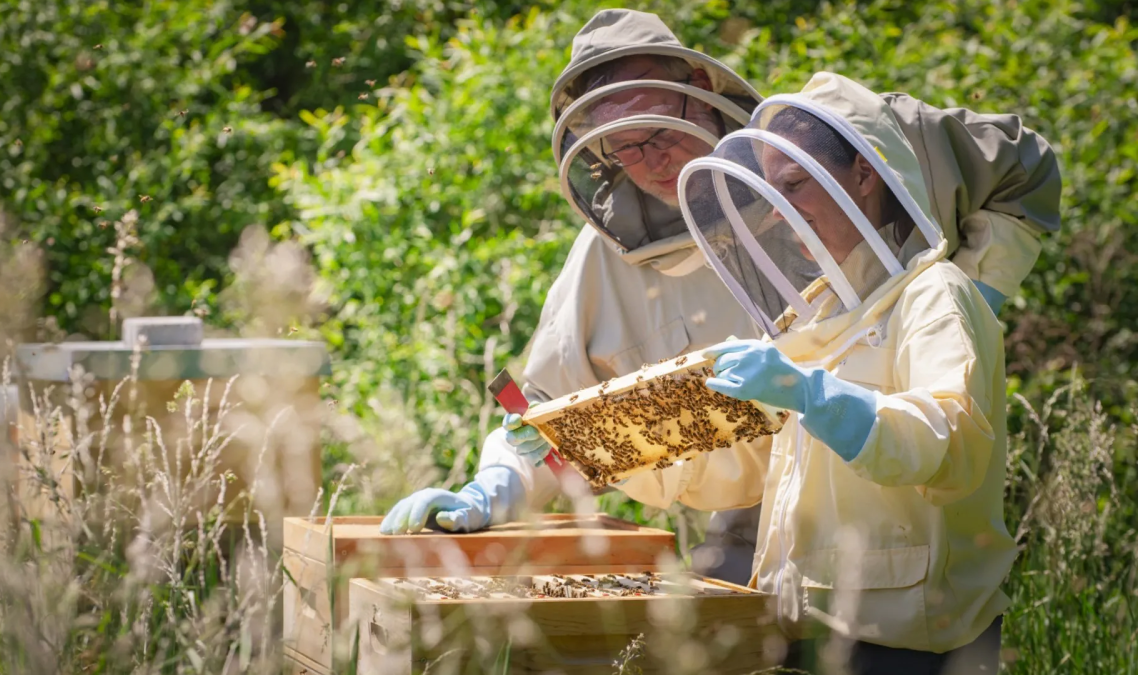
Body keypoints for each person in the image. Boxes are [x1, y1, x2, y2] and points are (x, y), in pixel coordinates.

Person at [380, 9, 1059, 589]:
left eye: (657, 128)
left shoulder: (832, 147)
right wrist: (489, 490)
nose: (649, 160)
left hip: (901, 495)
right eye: (624, 148)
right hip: (749, 522)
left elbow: (1025, 167)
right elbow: (543, 426)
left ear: (700, 88)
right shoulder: (604, 259)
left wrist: (967, 301)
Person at [661, 71, 1012, 673]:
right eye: (772, 193)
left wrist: (812, 394)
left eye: (796, 185)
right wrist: (588, 457)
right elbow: (753, 471)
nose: (780, 214)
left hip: (913, 643)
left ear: (864, 175)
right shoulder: (821, 310)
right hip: (807, 626)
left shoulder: (934, 295)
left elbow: (949, 439)